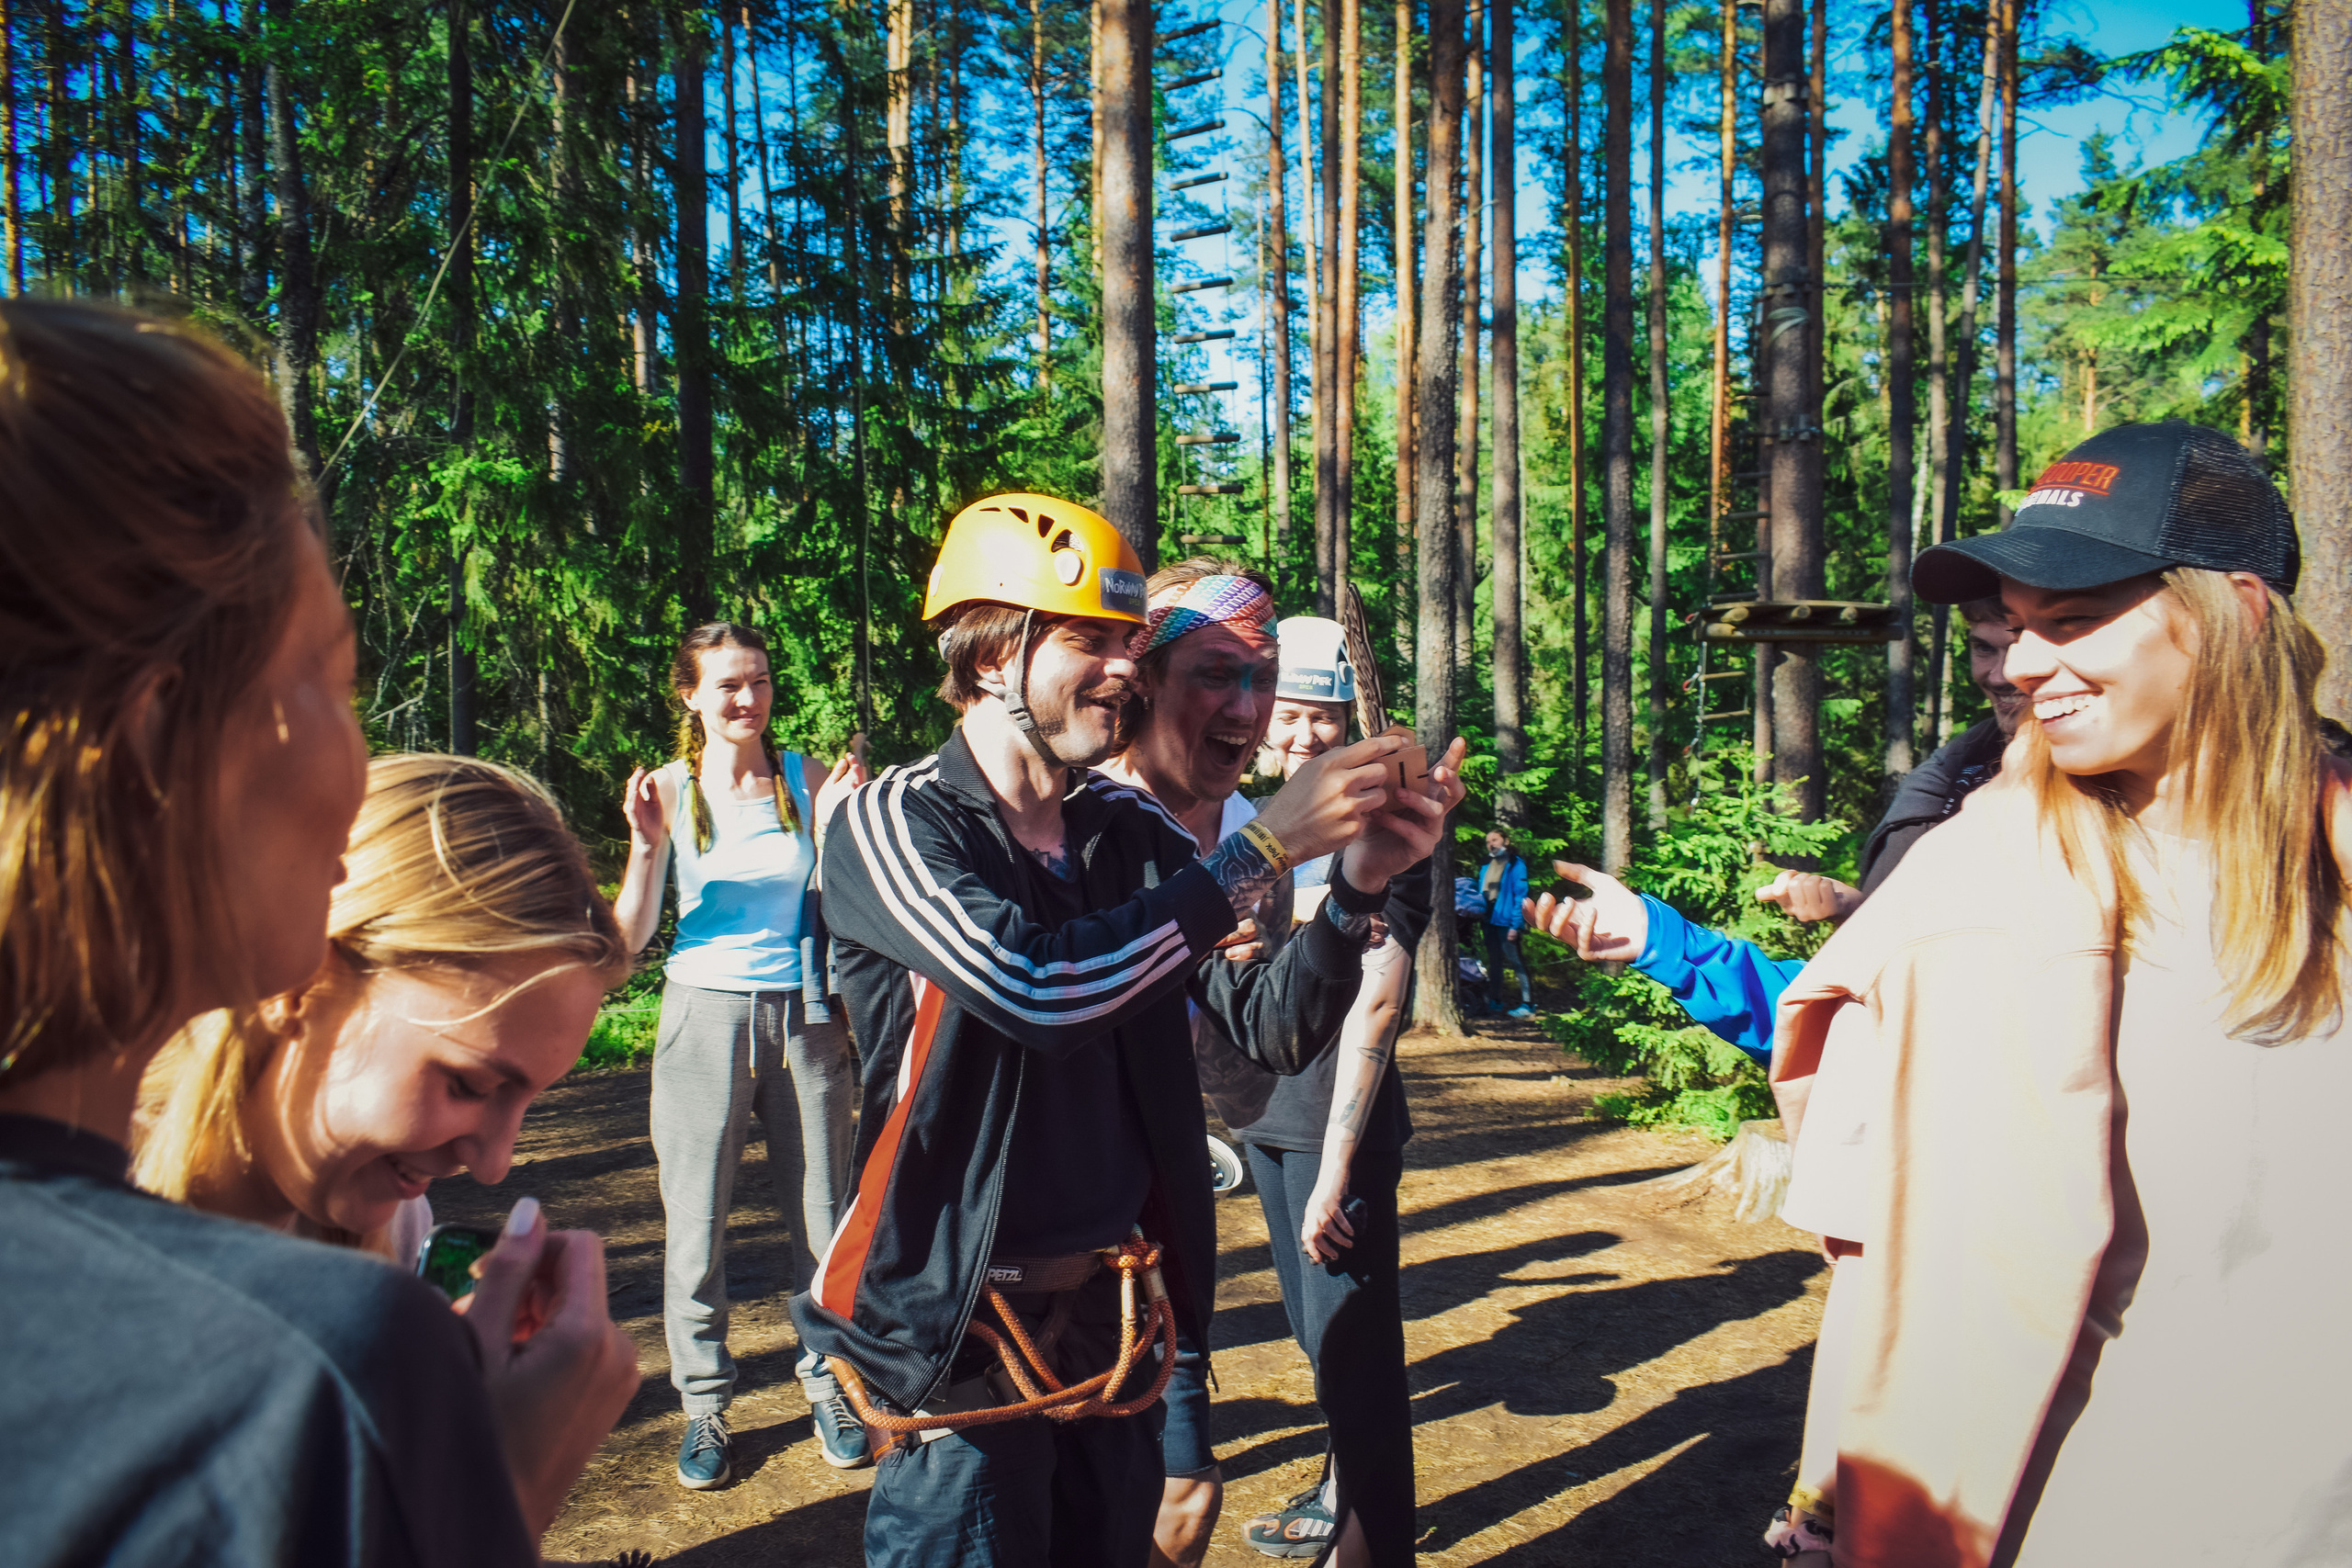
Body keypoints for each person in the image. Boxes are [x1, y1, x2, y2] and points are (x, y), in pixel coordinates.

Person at [0, 299, 636, 1564]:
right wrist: (472, 1497)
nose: (361, 771)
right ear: (161, 738)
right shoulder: (304, 1375)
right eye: (334, 680)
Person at [792, 494, 1455, 1568]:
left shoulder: (1130, 835)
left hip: (1117, 1323)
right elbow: (1034, 988)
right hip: (962, 1332)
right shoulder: (902, 821)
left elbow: (1269, 1030)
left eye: (1130, 641)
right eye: (1088, 640)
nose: (1122, 669)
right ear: (992, 651)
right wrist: (1262, 854)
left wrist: (1353, 897)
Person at [1770, 420, 2352, 1566]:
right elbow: (1875, 1248)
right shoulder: (1965, 887)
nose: (2023, 667)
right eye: (2018, 630)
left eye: (2073, 622)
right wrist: (1828, 1485)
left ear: (2235, 613)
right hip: (2058, 1513)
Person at [135, 752, 628, 1263]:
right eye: (468, 1086)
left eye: (529, 1101)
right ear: (296, 978)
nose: (494, 1165)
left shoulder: (400, 1228)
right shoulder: (62, 1235)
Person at [1525, 594, 2033, 1061]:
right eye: (1982, 648)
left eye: (2023, 643)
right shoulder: (1947, 787)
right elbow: (1857, 1018)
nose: (2001, 675)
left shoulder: (2093, 815)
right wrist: (1661, 940)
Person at [612, 623, 871, 1485]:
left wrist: (839, 828)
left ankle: (829, 1382)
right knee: (696, 1224)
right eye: (726, 685)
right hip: (703, 1014)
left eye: (758, 680)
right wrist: (646, 849)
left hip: (807, 1014)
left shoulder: (804, 777)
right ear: (690, 695)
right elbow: (633, 934)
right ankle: (705, 1406)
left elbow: (855, 896)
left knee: (824, 1217)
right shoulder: (666, 789)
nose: (747, 699)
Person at [1220, 615, 1432, 1567]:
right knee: (1319, 1344)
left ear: (1348, 721)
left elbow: (1376, 1005)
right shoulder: (1248, 827)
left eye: (1322, 716)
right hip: (1266, 1119)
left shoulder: (1389, 824)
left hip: (1330, 1136)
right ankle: (1341, 1493)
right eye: (1289, 715)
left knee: (1356, 1356)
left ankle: (1370, 1542)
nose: (1303, 735)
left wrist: (1334, 1170)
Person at [1478, 828, 1535, 1017]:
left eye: (1494, 840)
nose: (1491, 844)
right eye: (1488, 842)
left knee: (1516, 961)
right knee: (1494, 962)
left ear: (1506, 841)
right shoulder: (1486, 866)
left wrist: (1515, 925)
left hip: (1507, 922)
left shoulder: (1515, 865)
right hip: (1489, 921)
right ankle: (1495, 1002)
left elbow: (1520, 896)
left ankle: (1528, 1005)